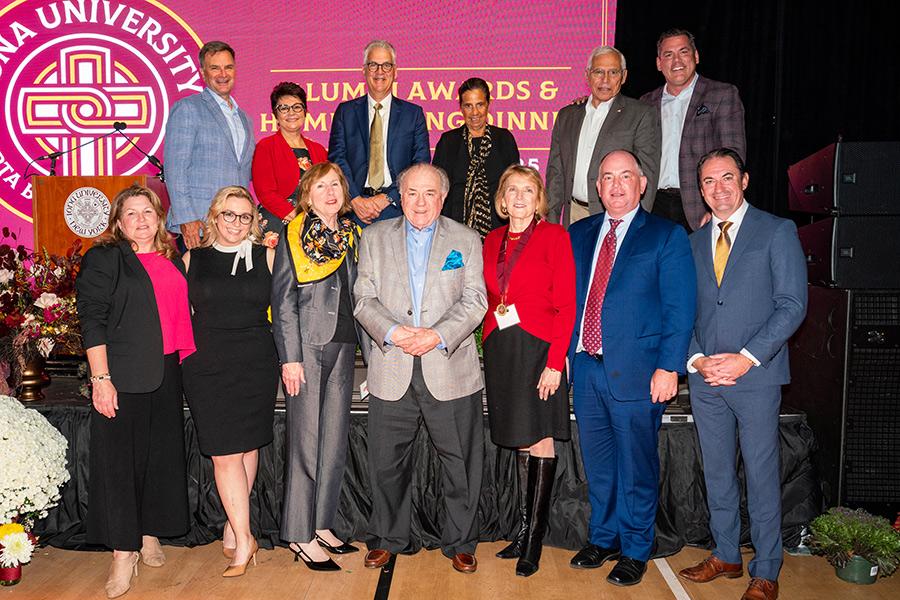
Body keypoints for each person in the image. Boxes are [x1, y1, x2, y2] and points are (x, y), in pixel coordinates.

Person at [678, 148, 806, 600]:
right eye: (709, 182)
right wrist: (695, 360)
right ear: (701, 190)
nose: (719, 188)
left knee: (761, 472)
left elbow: (792, 305)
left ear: (745, 180)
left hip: (756, 376)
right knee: (716, 472)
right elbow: (682, 312)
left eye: (727, 178)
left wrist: (746, 357)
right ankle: (727, 553)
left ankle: (767, 568)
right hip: (705, 378)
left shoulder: (776, 231)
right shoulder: (692, 242)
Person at [567, 150, 695, 586]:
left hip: (640, 373)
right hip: (586, 369)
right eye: (607, 177)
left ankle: (637, 548)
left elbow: (680, 309)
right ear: (597, 187)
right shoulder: (578, 234)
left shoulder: (665, 235)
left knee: (637, 465)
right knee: (599, 464)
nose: (617, 184)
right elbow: (566, 302)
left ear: (643, 184)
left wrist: (669, 368)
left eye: (626, 176)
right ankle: (604, 538)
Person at [353, 163, 487, 574]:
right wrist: (393, 331)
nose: (420, 202)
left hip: (449, 365)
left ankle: (461, 541)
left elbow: (475, 300)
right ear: (401, 195)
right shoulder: (374, 237)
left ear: (443, 198)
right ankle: (389, 537)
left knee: (460, 462)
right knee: (386, 462)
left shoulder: (464, 239)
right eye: (412, 193)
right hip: (392, 365)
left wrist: (436, 335)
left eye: (430, 193)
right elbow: (363, 298)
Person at [76, 185, 195, 598]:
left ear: (160, 218)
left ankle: (148, 534)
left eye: (148, 212)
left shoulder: (172, 259)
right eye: (132, 213)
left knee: (159, 458)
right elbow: (92, 320)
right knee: (121, 464)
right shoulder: (105, 258)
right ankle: (123, 552)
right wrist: (101, 379)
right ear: (118, 222)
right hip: (120, 376)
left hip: (164, 371)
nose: (141, 220)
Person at [270, 162, 368, 572]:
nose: (330, 192)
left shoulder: (352, 233)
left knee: (333, 440)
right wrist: (289, 358)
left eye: (336, 186)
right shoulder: (294, 235)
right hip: (306, 349)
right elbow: (282, 300)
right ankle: (299, 533)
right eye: (321, 186)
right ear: (307, 194)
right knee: (306, 443)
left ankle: (322, 523)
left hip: (345, 343)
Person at [481, 165, 576, 576]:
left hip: (540, 349)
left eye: (528, 190)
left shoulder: (556, 236)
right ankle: (522, 530)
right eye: (512, 190)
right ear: (502, 199)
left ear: (538, 199)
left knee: (539, 440)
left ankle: (534, 541)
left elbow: (568, 304)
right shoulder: (491, 239)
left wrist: (556, 362)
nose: (519, 197)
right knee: (520, 439)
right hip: (502, 348)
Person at [181, 186, 278, 578]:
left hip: (255, 361)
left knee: (246, 445)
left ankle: (234, 526)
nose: (236, 223)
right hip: (206, 364)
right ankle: (245, 537)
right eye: (228, 215)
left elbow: (287, 310)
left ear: (253, 220)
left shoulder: (267, 255)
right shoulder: (192, 258)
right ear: (214, 217)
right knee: (224, 454)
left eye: (244, 216)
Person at [640, 29, 747, 231]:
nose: (676, 60)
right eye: (668, 55)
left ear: (696, 56)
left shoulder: (721, 94)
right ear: (658, 63)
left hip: (700, 207)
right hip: (653, 206)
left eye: (683, 52)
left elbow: (733, 156)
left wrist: (717, 206)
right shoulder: (645, 103)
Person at [546, 46, 660, 228]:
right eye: (598, 72)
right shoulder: (567, 116)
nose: (605, 80)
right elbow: (556, 172)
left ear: (623, 76)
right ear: (587, 75)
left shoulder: (640, 114)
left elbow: (647, 174)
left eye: (613, 72)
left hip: (618, 215)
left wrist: (638, 225)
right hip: (573, 214)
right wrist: (550, 222)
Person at [328, 40, 430, 226]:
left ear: (395, 71)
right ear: (364, 70)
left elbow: (420, 163)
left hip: (397, 208)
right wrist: (356, 199)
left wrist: (387, 198)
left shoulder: (413, 114)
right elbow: (337, 159)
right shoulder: (345, 112)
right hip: (354, 209)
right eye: (373, 65)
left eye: (386, 65)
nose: (379, 71)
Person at [164, 41, 254, 250]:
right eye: (215, 68)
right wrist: (187, 219)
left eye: (228, 67)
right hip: (199, 226)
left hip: (235, 227)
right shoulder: (188, 108)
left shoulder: (244, 118)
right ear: (203, 73)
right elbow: (175, 170)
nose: (223, 74)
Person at [433, 77, 520, 237]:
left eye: (480, 104)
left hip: (498, 232)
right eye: (468, 106)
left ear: (488, 104)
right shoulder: (448, 142)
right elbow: (437, 190)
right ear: (461, 108)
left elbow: (515, 188)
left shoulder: (504, 139)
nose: (475, 113)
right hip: (455, 232)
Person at [252, 82, 328, 234]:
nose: (291, 112)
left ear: (305, 111)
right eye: (284, 108)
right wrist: (300, 219)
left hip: (314, 222)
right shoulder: (265, 146)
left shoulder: (319, 150)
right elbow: (265, 193)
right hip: (278, 221)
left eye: (297, 107)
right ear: (275, 114)